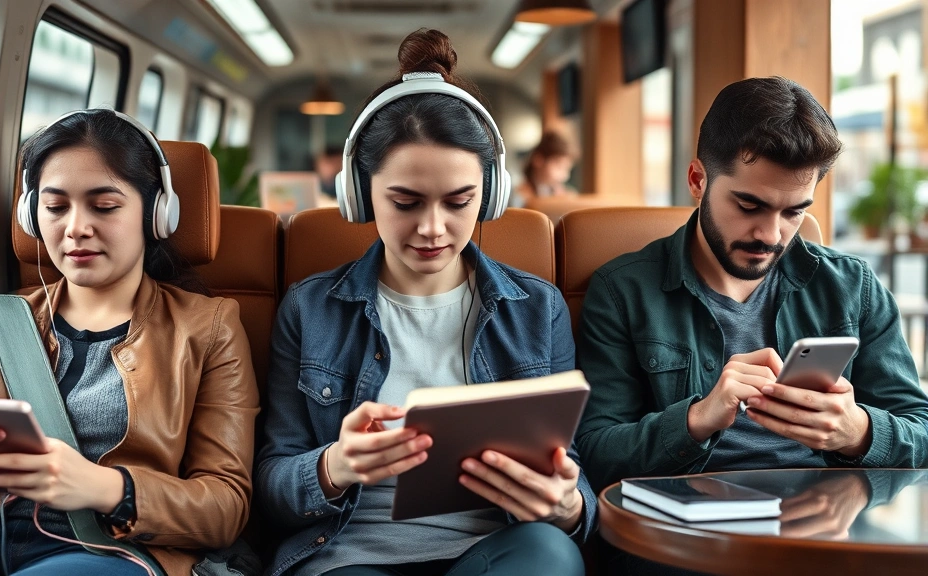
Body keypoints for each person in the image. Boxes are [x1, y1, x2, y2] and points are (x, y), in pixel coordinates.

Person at [256, 29, 595, 576]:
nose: (432, 229)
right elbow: (271, 486)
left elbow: (568, 469)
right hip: (348, 555)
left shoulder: (537, 308)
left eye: (459, 202)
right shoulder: (310, 308)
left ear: (491, 194)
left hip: (492, 551)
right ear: (360, 194)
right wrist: (333, 466)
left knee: (551, 554)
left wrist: (568, 503)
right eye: (406, 202)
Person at [0, 109, 260, 575]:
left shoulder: (208, 328)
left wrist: (106, 488)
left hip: (103, 553)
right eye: (54, 208)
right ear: (32, 216)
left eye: (104, 206)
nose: (75, 228)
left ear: (157, 214)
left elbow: (225, 507)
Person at [576, 76, 928, 495]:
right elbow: (595, 453)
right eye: (749, 205)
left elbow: (919, 429)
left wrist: (857, 432)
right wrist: (698, 418)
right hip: (688, 528)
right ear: (697, 180)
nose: (771, 234)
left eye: (794, 212)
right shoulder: (623, 292)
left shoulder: (853, 286)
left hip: (824, 521)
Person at [514, 131, 577, 206]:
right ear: (538, 160)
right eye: (559, 167)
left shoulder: (564, 194)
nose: (564, 176)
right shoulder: (519, 196)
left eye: (567, 169)